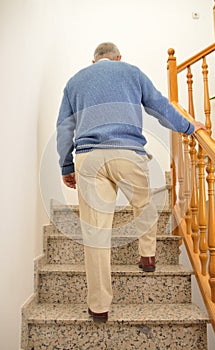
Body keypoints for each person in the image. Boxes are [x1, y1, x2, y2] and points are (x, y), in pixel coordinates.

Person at [56, 42, 205, 323]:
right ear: (118, 57)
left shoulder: (74, 81)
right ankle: (148, 256)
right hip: (128, 152)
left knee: (97, 233)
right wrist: (188, 126)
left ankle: (99, 306)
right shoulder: (132, 72)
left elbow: (64, 127)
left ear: (93, 61)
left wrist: (66, 164)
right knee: (144, 204)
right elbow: (160, 107)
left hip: (89, 158)